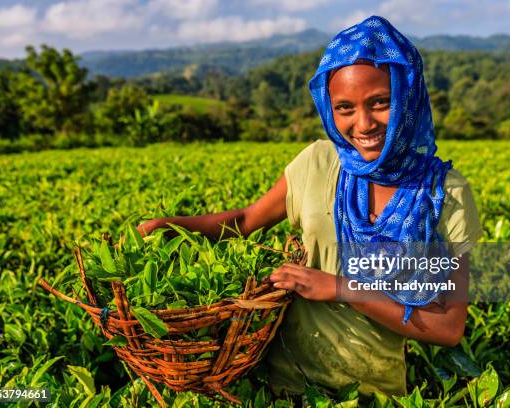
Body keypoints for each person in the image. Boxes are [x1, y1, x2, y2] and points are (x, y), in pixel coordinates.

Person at [137, 16, 482, 398]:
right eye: (345, 107)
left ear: (408, 95)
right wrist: (172, 227)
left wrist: (338, 288)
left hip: (374, 391)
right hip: (283, 384)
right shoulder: (317, 163)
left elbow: (447, 327)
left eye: (381, 102)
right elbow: (245, 220)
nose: (363, 123)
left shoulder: (444, 195)